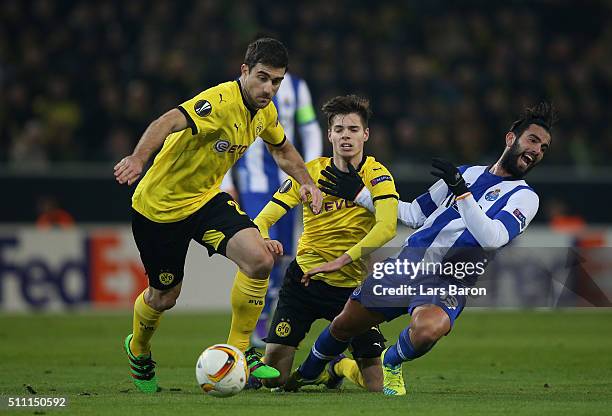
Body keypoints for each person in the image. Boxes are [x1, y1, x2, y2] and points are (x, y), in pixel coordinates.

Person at [285, 102, 555, 395]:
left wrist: (462, 192)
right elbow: (415, 214)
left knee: (428, 329)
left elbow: (492, 238)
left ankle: (392, 362)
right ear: (510, 138)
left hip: (450, 277)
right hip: (407, 264)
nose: (538, 150)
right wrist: (362, 195)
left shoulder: (525, 198)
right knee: (343, 326)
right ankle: (308, 373)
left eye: (543, 147)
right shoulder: (467, 173)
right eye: (533, 140)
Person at [113, 37, 323, 393]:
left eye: (276, 82)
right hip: (159, 210)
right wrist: (137, 158)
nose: (268, 88)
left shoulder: (265, 112)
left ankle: (240, 352)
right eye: (262, 78)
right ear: (244, 71)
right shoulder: (219, 102)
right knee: (164, 296)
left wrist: (308, 183)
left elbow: (283, 149)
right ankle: (138, 348)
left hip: (205, 201)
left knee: (259, 259)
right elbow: (167, 121)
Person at [251, 95, 398, 391]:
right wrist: (264, 237)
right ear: (329, 134)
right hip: (304, 282)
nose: (346, 135)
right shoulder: (309, 173)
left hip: (351, 291)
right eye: (340, 129)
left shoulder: (378, 175)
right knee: (274, 382)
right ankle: (320, 367)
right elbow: (262, 219)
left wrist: (343, 259)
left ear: (365, 135)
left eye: (354, 129)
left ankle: (338, 366)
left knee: (377, 386)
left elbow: (387, 227)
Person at [221, 71, 323, 347]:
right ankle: (258, 318)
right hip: (253, 185)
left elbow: (310, 128)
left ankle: (276, 314)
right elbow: (223, 137)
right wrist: (227, 181)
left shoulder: (298, 87)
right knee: (261, 249)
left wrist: (310, 174)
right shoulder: (236, 90)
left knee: (287, 252)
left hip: (287, 181)